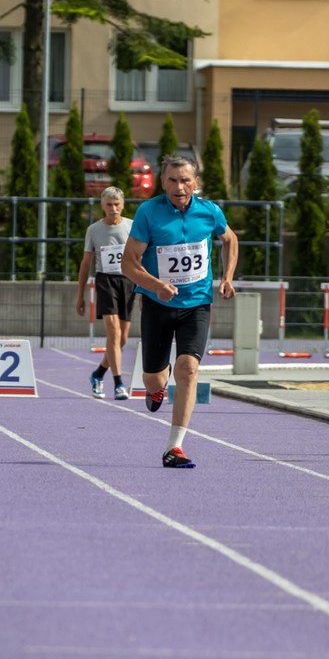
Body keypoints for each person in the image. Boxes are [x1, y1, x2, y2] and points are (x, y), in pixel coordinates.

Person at [119, 155, 237, 468]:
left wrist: (227, 278)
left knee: (188, 368)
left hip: (197, 304)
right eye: (172, 180)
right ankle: (156, 391)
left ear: (195, 183)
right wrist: (155, 284)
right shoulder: (149, 212)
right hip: (158, 304)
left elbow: (230, 239)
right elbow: (128, 263)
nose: (179, 187)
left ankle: (175, 447)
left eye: (185, 180)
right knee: (155, 380)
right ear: (163, 183)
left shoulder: (209, 212)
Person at [75, 186, 135, 400]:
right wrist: (80, 294)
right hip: (105, 280)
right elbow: (85, 263)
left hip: (128, 281)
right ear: (102, 206)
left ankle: (98, 373)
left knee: (123, 338)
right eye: (109, 204)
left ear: (123, 205)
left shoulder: (132, 226)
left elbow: (142, 257)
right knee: (114, 333)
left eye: (117, 204)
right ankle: (119, 383)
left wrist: (147, 288)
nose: (113, 208)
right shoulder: (94, 230)